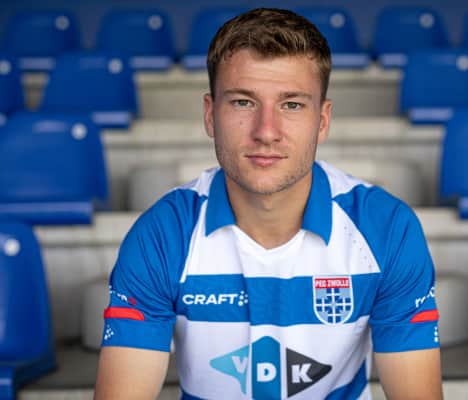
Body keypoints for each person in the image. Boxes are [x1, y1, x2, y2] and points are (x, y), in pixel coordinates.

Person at [95, 7, 442, 400]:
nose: (266, 132)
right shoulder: (163, 234)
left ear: (322, 121)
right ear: (210, 115)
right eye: (243, 102)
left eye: (291, 105)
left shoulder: (386, 228)